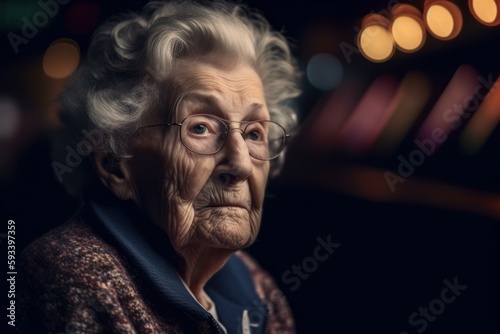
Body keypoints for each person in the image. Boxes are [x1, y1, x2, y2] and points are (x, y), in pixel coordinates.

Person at [18, 0, 302, 333]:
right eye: (201, 128)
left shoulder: (255, 286)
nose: (239, 164)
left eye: (254, 133)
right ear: (115, 164)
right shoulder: (77, 277)